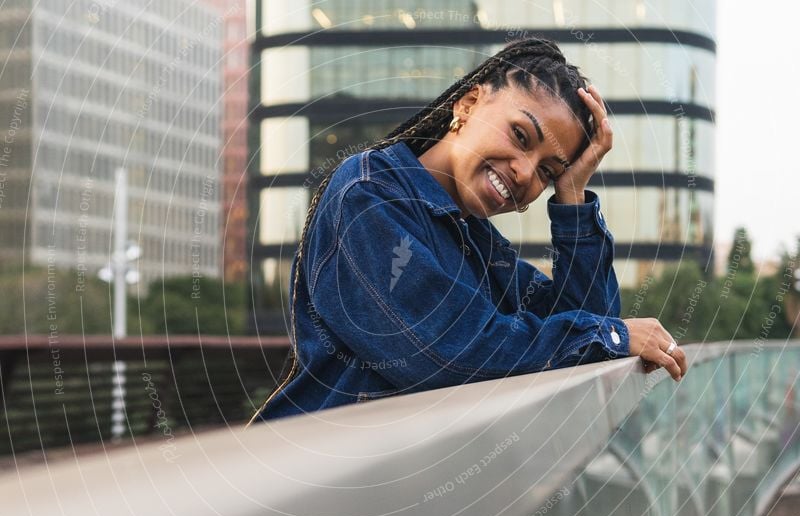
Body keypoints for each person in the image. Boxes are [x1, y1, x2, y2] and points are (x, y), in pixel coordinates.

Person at [247, 37, 688, 425]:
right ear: (468, 103)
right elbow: (451, 354)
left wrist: (572, 195)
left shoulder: (476, 240)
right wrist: (607, 337)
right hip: (314, 490)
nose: (524, 173)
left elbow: (584, 324)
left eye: (547, 172)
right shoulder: (370, 196)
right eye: (520, 135)